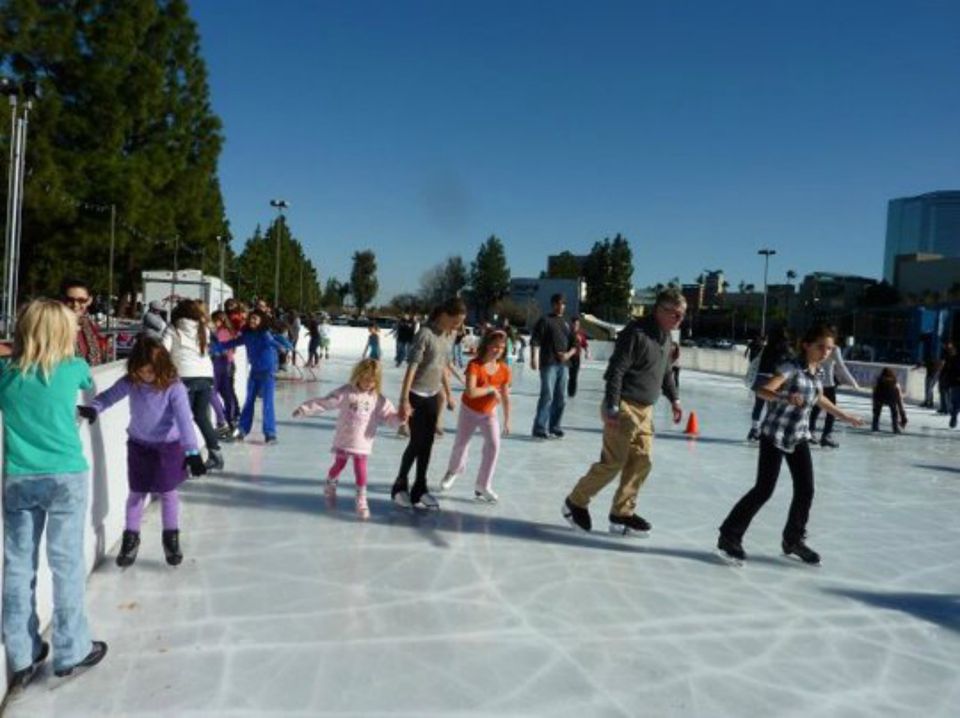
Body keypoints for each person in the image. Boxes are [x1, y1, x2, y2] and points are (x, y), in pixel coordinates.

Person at [0, 299, 107, 688]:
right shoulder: (73, 369)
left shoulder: (5, 375)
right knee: (65, 565)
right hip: (65, 477)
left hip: (19, 478)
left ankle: (23, 653)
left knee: (17, 565)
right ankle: (71, 649)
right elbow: (87, 376)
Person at [717, 324, 864, 565]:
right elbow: (763, 390)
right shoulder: (790, 368)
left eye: (829, 348)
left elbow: (819, 398)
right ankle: (729, 536)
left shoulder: (816, 372)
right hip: (774, 434)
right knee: (764, 490)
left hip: (798, 436)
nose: (825, 352)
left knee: (806, 490)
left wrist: (844, 416)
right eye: (821, 347)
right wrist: (784, 396)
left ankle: (793, 540)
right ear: (806, 345)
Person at [561, 288, 685, 537]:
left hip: (646, 410)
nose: (680, 320)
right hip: (624, 405)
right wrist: (612, 406)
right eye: (676, 315)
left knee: (642, 461)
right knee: (614, 462)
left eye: (682, 315)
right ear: (661, 310)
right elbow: (616, 370)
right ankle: (575, 502)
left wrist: (675, 399)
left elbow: (665, 372)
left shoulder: (667, 337)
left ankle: (622, 513)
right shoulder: (636, 333)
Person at [80, 338, 207, 567]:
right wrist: (93, 408)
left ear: (162, 367)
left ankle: (171, 538)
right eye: (141, 371)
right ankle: (131, 538)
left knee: (167, 492)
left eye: (150, 371)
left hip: (168, 448)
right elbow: (109, 396)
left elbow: (184, 421)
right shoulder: (132, 381)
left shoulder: (174, 388)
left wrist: (192, 452)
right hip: (138, 445)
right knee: (136, 492)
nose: (146, 376)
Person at [292, 359, 402, 519]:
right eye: (365, 379)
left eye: (372, 382)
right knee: (339, 464)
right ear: (358, 375)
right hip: (345, 438)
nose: (368, 384)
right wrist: (304, 409)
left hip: (363, 442)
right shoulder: (345, 392)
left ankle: (361, 499)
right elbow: (325, 403)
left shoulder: (378, 399)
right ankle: (330, 483)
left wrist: (401, 419)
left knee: (361, 468)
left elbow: (390, 417)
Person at [391, 297, 467, 509]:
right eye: (456, 321)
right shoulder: (424, 334)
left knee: (428, 444)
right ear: (444, 315)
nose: (458, 327)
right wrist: (404, 400)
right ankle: (399, 486)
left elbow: (442, 365)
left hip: (433, 395)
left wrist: (449, 394)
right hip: (415, 394)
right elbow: (412, 368)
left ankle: (420, 489)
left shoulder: (448, 335)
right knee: (416, 443)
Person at [439, 329, 512, 502]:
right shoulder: (475, 365)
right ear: (487, 345)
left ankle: (483, 485)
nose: (498, 350)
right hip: (469, 410)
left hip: (489, 413)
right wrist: (490, 389)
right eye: (495, 346)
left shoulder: (504, 370)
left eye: (501, 348)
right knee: (461, 445)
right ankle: (453, 471)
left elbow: (506, 396)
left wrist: (507, 420)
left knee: (494, 446)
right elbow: (470, 392)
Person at [213, 309, 293, 443]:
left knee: (267, 403)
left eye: (255, 319)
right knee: (249, 402)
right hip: (255, 372)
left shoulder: (264, 334)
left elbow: (273, 342)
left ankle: (270, 433)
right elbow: (232, 343)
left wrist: (282, 347)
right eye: (251, 319)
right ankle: (242, 430)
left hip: (267, 373)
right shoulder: (247, 335)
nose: (252, 321)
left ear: (261, 321)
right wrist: (216, 347)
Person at [163, 300, 223, 471]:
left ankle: (185, 460)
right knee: (201, 416)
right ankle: (216, 455)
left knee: (182, 420)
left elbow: (162, 351)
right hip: (205, 377)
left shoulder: (173, 328)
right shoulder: (202, 328)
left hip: (185, 378)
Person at [530, 294, 576, 439]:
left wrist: (568, 355)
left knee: (561, 397)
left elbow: (575, 344)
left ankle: (555, 426)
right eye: (558, 303)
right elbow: (535, 340)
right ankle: (540, 427)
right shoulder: (545, 320)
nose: (561, 306)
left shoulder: (567, 322)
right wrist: (533, 358)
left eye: (563, 304)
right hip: (548, 363)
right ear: (553, 304)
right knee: (547, 395)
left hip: (564, 365)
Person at [808, 336, 861, 448]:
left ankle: (812, 432)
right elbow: (841, 367)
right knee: (829, 411)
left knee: (816, 409)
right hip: (826, 384)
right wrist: (853, 382)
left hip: (818, 381)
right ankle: (825, 436)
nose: (825, 351)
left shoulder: (821, 346)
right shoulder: (835, 349)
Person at [747, 326, 793, 442]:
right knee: (771, 408)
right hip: (773, 380)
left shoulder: (767, 347)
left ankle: (754, 429)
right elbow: (791, 362)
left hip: (760, 378)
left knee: (758, 405)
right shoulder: (785, 348)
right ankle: (765, 429)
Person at [61, 278, 107, 366]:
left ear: (89, 300)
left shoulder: (91, 326)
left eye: (81, 300)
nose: (75, 305)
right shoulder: (55, 326)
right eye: (70, 300)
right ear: (63, 299)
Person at [211, 310, 241, 439]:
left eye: (215, 321)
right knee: (225, 393)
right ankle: (229, 421)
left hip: (222, 364)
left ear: (220, 320)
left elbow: (222, 348)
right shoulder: (226, 331)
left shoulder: (222, 332)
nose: (213, 323)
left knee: (216, 392)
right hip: (226, 364)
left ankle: (225, 421)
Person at [872, 368, 908, 433]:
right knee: (894, 412)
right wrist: (903, 416)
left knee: (877, 413)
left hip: (879, 398)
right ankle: (895, 428)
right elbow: (900, 401)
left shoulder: (878, 382)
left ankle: (875, 426)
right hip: (892, 399)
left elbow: (874, 394)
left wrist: (874, 407)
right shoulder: (895, 383)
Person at [567, 316, 590, 398]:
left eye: (577, 324)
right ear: (571, 324)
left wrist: (587, 353)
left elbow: (585, 345)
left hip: (576, 358)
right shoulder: (567, 333)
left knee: (574, 376)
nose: (576, 326)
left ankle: (571, 393)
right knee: (564, 375)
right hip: (567, 357)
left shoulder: (581, 334)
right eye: (574, 324)